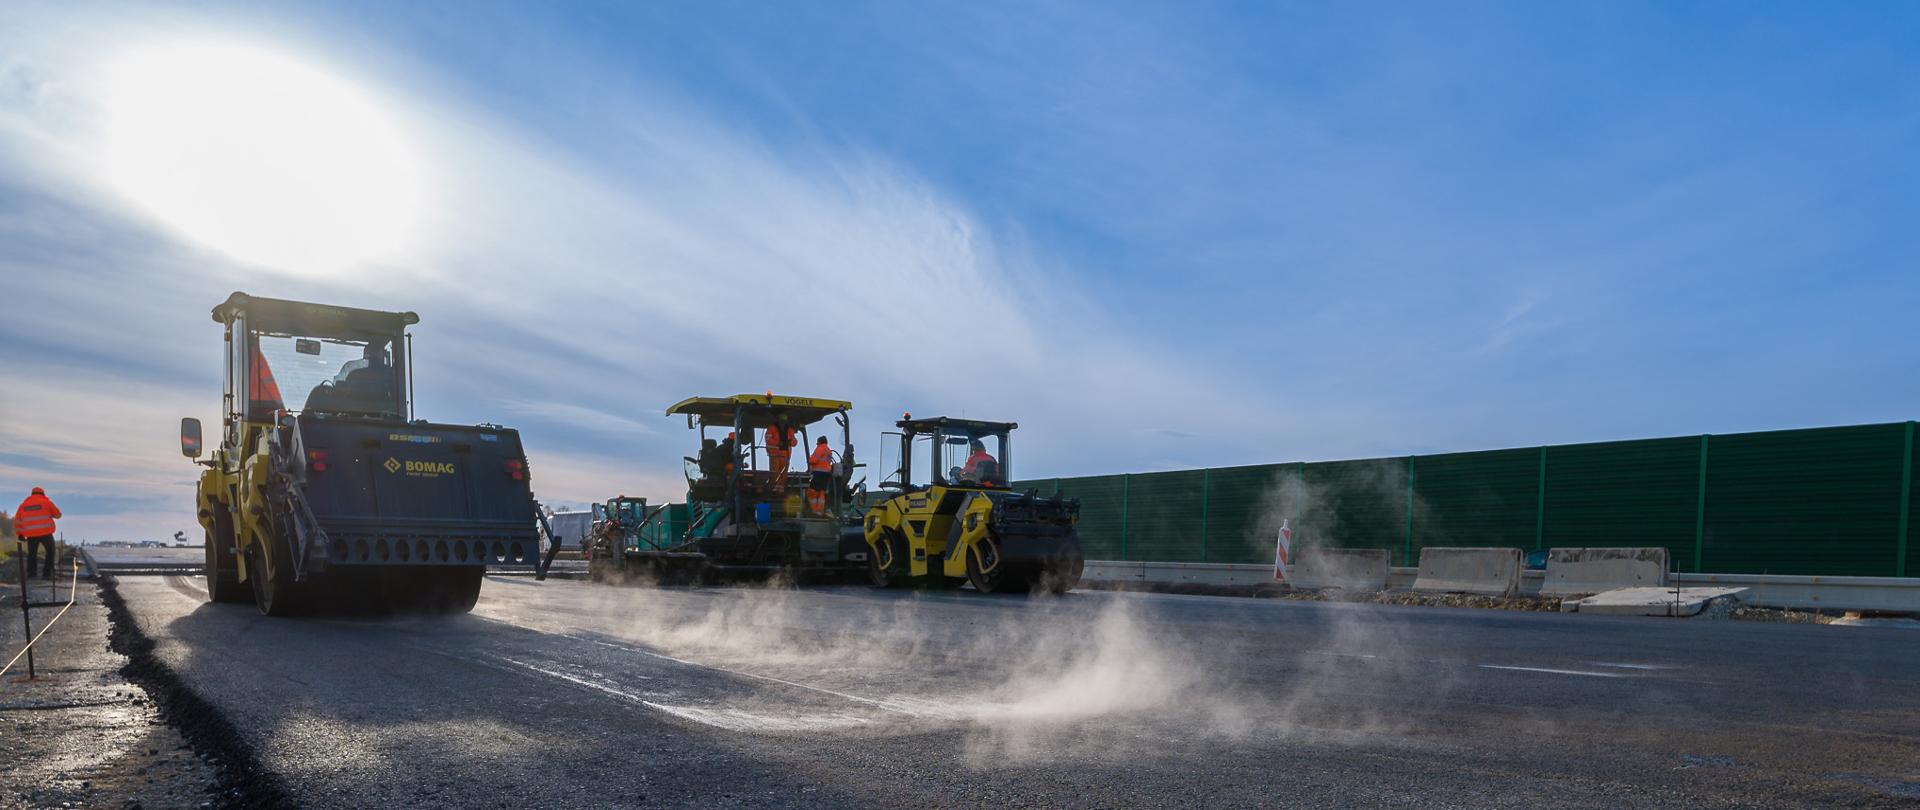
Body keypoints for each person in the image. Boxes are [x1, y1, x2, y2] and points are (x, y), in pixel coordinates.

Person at [14, 486, 61, 580]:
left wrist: (20, 534)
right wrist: (51, 514)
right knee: (50, 552)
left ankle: (32, 575)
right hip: (45, 533)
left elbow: (18, 521)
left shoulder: (23, 505)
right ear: (43, 494)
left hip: (31, 535)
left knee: (32, 554)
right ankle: (47, 574)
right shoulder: (47, 502)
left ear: (32, 494)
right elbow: (58, 514)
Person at [764, 414, 797, 492]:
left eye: (784, 422)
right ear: (778, 421)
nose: (783, 423)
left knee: (783, 474)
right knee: (774, 472)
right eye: (781, 421)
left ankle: (780, 490)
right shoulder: (771, 428)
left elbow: (795, 442)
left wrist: (789, 442)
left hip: (785, 455)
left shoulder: (790, 430)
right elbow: (768, 439)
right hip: (774, 454)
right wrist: (778, 443)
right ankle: (771, 488)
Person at [806, 437, 834, 515]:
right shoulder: (828, 450)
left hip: (819, 473)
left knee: (812, 492)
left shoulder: (820, 448)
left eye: (817, 443)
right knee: (821, 492)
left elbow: (813, 460)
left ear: (819, 442)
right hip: (827, 473)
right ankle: (819, 511)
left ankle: (814, 510)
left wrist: (810, 459)